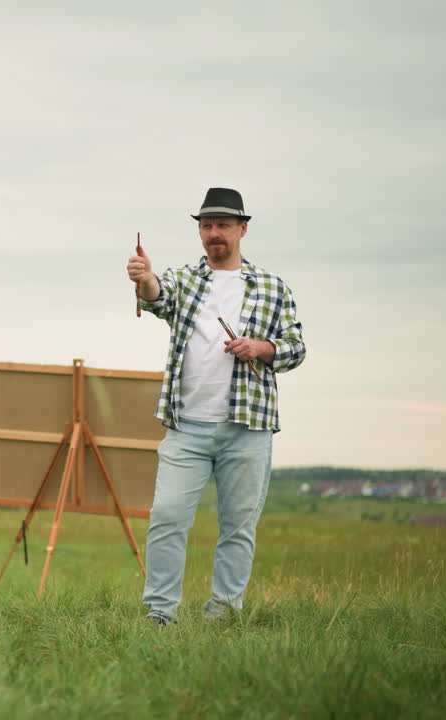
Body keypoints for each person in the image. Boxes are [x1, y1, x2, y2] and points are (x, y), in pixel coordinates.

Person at [125, 188, 306, 626]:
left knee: (238, 528)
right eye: (207, 226)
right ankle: (160, 613)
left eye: (223, 225)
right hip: (186, 425)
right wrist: (143, 278)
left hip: (249, 427)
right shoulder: (185, 280)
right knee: (167, 517)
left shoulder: (271, 286)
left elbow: (296, 347)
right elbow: (157, 297)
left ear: (242, 229)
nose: (214, 233)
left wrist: (260, 347)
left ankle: (223, 614)